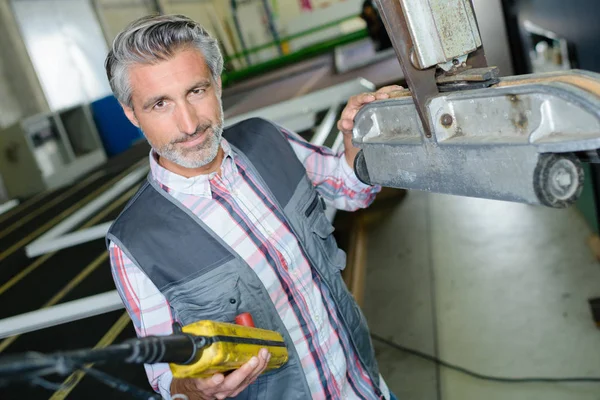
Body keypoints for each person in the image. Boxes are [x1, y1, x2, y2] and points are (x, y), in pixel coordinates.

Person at [104, 14, 401, 400]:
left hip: (366, 387)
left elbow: (351, 191)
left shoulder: (268, 139)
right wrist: (194, 389)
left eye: (196, 91)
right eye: (160, 103)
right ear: (132, 114)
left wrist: (355, 139)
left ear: (217, 83)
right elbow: (164, 376)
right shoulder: (134, 244)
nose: (190, 123)